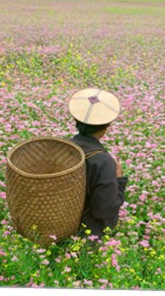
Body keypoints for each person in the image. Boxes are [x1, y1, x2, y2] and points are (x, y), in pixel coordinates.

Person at [68, 88, 128, 239]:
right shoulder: (103, 161)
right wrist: (119, 180)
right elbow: (105, 210)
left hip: (55, 226)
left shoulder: (63, 147)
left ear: (77, 121)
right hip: (84, 235)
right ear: (105, 127)